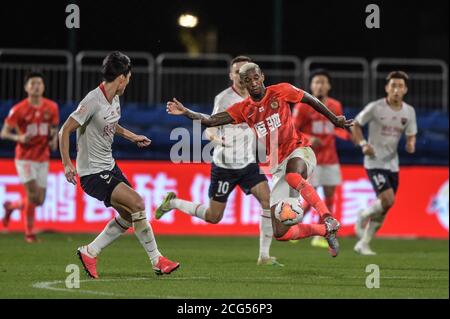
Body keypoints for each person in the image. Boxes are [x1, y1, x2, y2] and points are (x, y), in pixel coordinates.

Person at [167, 62, 353, 257]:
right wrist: (187, 112)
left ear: (262, 76)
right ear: (243, 83)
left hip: (300, 150)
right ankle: (324, 231)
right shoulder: (243, 109)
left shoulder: (281, 91)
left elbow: (309, 98)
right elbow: (211, 120)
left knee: (292, 176)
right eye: (248, 80)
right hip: (277, 165)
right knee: (280, 233)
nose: (253, 82)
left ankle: (328, 218)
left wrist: (333, 119)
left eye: (256, 77)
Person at [58, 51, 179, 278]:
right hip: (92, 173)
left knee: (128, 215)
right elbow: (65, 130)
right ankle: (157, 260)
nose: (129, 82)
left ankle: (90, 252)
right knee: (138, 203)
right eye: (129, 78)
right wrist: (66, 163)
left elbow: (112, 124)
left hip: (109, 166)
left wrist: (132, 136)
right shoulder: (92, 100)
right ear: (122, 77)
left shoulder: (114, 98)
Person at [156, 56, 281, 266]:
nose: (242, 75)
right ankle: (173, 202)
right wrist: (215, 137)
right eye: (238, 72)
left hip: (249, 163)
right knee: (214, 217)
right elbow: (211, 124)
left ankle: (264, 256)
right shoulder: (224, 99)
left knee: (268, 202)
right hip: (225, 166)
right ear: (231, 76)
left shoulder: (260, 96)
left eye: (246, 71)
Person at [352, 71, 417, 255]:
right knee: (388, 199)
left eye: (400, 86)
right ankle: (363, 215)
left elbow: (411, 133)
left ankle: (364, 243)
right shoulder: (376, 107)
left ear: (405, 90)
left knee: (386, 207)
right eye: (393, 85)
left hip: (392, 164)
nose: (396, 89)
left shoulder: (409, 111)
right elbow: (355, 124)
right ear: (387, 88)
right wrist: (364, 144)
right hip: (374, 162)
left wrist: (411, 143)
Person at [293, 69, 351, 248]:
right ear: (311, 85)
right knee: (312, 200)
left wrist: (345, 133)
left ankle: (321, 235)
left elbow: (339, 129)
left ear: (329, 85)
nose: (320, 85)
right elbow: (292, 130)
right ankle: (293, 227)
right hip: (311, 159)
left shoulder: (335, 105)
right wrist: (310, 138)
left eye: (323, 82)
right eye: (316, 82)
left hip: (331, 159)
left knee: (329, 199)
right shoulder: (303, 105)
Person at [1, 72, 59, 243]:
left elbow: (54, 128)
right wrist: (18, 138)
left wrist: (53, 140)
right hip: (25, 157)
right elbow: (4, 133)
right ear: (26, 88)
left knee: (39, 200)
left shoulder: (51, 107)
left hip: (43, 157)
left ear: (43, 87)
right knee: (32, 194)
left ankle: (11, 207)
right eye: (32, 83)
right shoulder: (18, 109)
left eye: (39, 83)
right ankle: (29, 233)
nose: (36, 86)